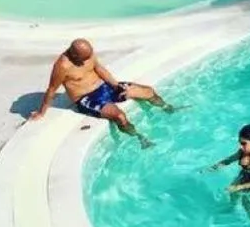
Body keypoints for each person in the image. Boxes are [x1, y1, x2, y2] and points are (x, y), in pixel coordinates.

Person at [30, 38, 174, 148]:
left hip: (104, 87)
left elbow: (99, 69)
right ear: (74, 54)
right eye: (83, 59)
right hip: (86, 98)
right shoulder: (62, 66)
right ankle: (141, 138)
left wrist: (116, 85)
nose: (86, 61)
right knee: (120, 116)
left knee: (147, 91)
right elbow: (51, 90)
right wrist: (41, 112)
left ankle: (169, 109)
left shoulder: (88, 54)